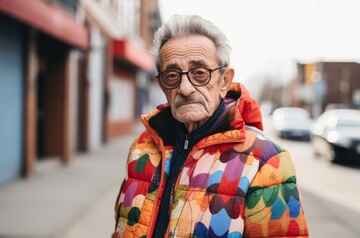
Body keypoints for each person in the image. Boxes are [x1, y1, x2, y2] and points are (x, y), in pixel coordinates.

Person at [112, 14, 309, 238]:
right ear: (162, 84)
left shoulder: (266, 161)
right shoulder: (142, 148)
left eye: (199, 73)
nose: (185, 88)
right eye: (172, 75)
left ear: (224, 81)